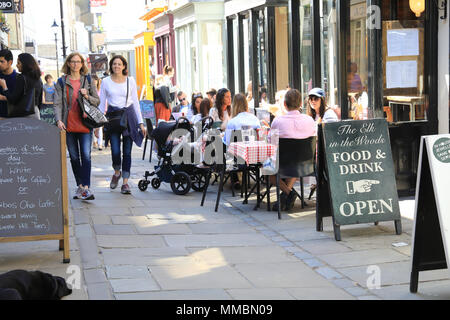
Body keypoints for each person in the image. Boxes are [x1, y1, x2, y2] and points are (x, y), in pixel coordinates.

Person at [54, 52, 100, 201]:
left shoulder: (87, 80)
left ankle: (86, 188)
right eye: (72, 62)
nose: (75, 64)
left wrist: (87, 96)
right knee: (74, 157)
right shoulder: (61, 82)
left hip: (85, 124)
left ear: (82, 64)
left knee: (86, 156)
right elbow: (58, 103)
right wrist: (58, 120)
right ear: (68, 63)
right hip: (68, 125)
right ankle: (80, 186)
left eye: (78, 62)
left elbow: (97, 101)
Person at [99, 55, 147, 195]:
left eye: (119, 64)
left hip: (129, 117)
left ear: (124, 66)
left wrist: (141, 123)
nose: (117, 66)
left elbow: (136, 103)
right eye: (114, 64)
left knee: (127, 152)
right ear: (111, 66)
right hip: (113, 118)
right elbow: (102, 103)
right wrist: (99, 123)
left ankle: (125, 183)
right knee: (114, 150)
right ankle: (117, 172)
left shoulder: (130, 81)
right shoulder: (106, 82)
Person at [269, 89, 317, 211]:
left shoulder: (278, 121)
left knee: (267, 173)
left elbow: (270, 142)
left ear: (284, 104)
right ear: (301, 104)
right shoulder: (310, 121)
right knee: (296, 161)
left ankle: (288, 193)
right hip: (306, 164)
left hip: (284, 164)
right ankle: (288, 194)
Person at [0, 53, 43, 120]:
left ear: (25, 64)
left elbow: (13, 100)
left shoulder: (21, 78)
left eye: (19, 63)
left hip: (22, 115)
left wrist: (4, 87)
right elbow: (40, 100)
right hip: (35, 113)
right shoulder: (38, 78)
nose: (17, 65)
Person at [0, 49, 18, 118]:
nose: (0, 64)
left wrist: (2, 98)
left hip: (13, 118)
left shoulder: (18, 78)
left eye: (2, 62)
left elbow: (18, 99)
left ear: (10, 62)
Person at [91, 75, 104, 150]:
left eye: (95, 81)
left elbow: (104, 101)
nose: (94, 82)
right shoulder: (90, 90)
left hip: (100, 110)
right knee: (93, 127)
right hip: (92, 110)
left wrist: (104, 110)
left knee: (100, 128)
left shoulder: (100, 90)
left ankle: (100, 144)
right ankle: (94, 142)